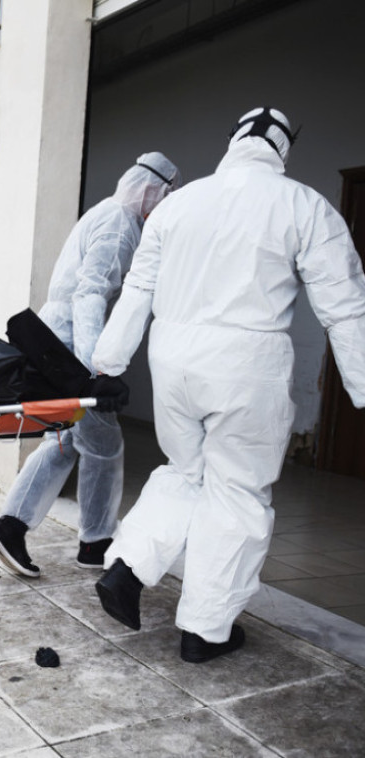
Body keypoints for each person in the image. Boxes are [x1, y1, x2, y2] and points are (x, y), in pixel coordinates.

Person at [91, 107, 365, 663]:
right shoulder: (304, 205)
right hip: (247, 365)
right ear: (283, 147)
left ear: (233, 140)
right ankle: (205, 631)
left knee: (184, 470)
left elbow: (139, 287)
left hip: (174, 362)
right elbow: (345, 305)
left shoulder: (181, 203)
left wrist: (109, 361)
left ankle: (127, 568)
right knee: (237, 491)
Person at [0, 152, 181, 578]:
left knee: (65, 442)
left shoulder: (105, 213)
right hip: (71, 348)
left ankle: (24, 528)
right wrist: (97, 372)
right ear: (153, 191)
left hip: (58, 343)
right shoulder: (119, 225)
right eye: (165, 195)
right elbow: (89, 296)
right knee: (103, 445)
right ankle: (88, 540)